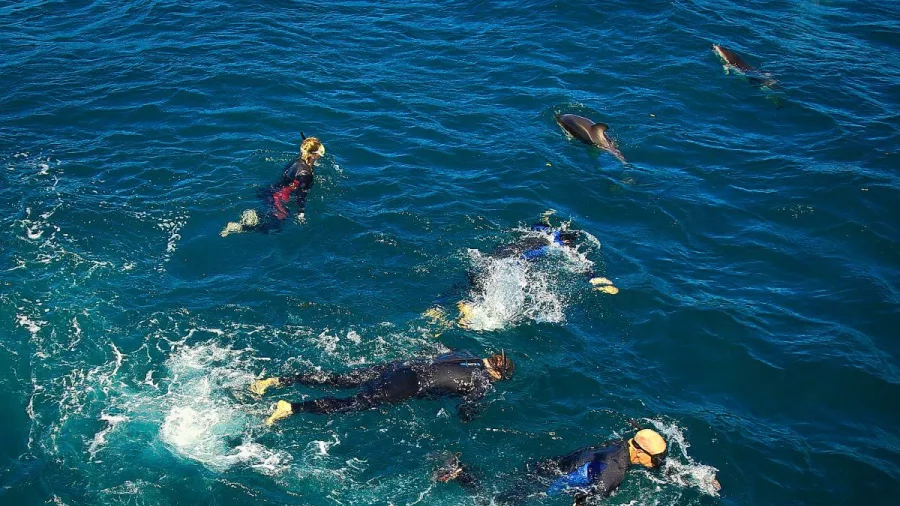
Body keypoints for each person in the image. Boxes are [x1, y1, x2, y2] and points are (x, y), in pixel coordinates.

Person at [252, 350, 515, 425]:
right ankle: (292, 408)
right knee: (353, 403)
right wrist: (470, 416)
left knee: (341, 379)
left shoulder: (465, 353)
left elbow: (441, 356)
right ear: (496, 374)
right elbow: (466, 412)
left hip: (401, 366)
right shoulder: (482, 382)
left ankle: (279, 381)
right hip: (410, 384)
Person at [435, 428, 674, 505]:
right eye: (658, 459)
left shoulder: (619, 445)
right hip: (547, 482)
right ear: (640, 452)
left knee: (501, 491)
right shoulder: (616, 470)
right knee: (493, 503)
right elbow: (585, 500)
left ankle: (462, 470)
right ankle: (460, 472)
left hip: (549, 466)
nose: (659, 462)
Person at [220, 133, 325, 236]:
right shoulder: (306, 174)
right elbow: (301, 193)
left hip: (271, 190)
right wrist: (301, 212)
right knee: (276, 226)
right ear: (313, 155)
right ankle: (239, 227)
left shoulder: (298, 161)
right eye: (318, 154)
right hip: (280, 197)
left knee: (270, 215)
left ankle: (254, 215)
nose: (320, 156)